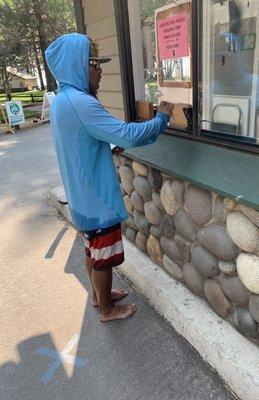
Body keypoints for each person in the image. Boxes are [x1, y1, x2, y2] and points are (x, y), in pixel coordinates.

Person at [45, 33, 174, 322]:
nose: (100, 70)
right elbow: (128, 133)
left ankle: (97, 296)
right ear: (77, 66)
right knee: (104, 258)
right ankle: (106, 309)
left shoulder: (63, 100)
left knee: (92, 250)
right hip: (95, 199)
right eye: (94, 63)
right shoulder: (81, 103)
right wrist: (161, 118)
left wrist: (106, 143)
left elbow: (84, 139)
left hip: (80, 197)